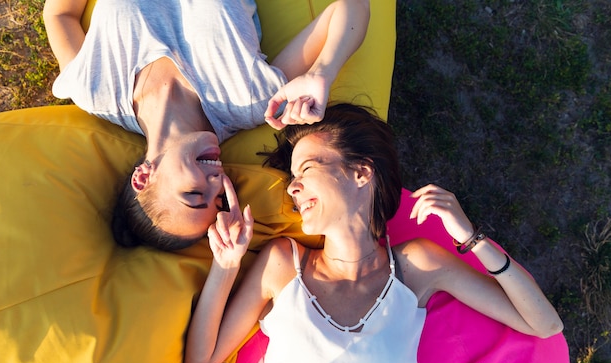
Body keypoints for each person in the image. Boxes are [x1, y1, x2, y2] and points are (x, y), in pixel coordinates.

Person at [183, 103, 564, 363]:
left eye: (308, 168)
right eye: (293, 176)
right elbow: (201, 361)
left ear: (361, 172)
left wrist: (470, 237)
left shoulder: (417, 267)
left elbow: (543, 325)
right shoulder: (283, 263)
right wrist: (226, 264)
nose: (294, 187)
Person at [43, 0, 370, 251]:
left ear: (144, 176)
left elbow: (60, 15)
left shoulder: (95, 91)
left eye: (195, 193)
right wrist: (321, 73)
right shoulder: (250, 100)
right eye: (218, 197)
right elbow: (350, 7)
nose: (216, 180)